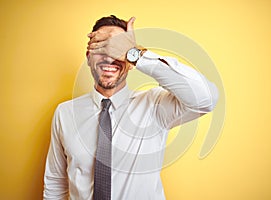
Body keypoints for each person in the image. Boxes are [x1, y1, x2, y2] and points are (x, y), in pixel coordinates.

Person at [43, 15, 219, 200]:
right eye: (102, 47)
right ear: (88, 57)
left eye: (117, 48)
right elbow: (55, 183)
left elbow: (206, 98)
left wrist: (135, 54)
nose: (109, 57)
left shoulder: (155, 105)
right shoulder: (64, 113)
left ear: (130, 62)